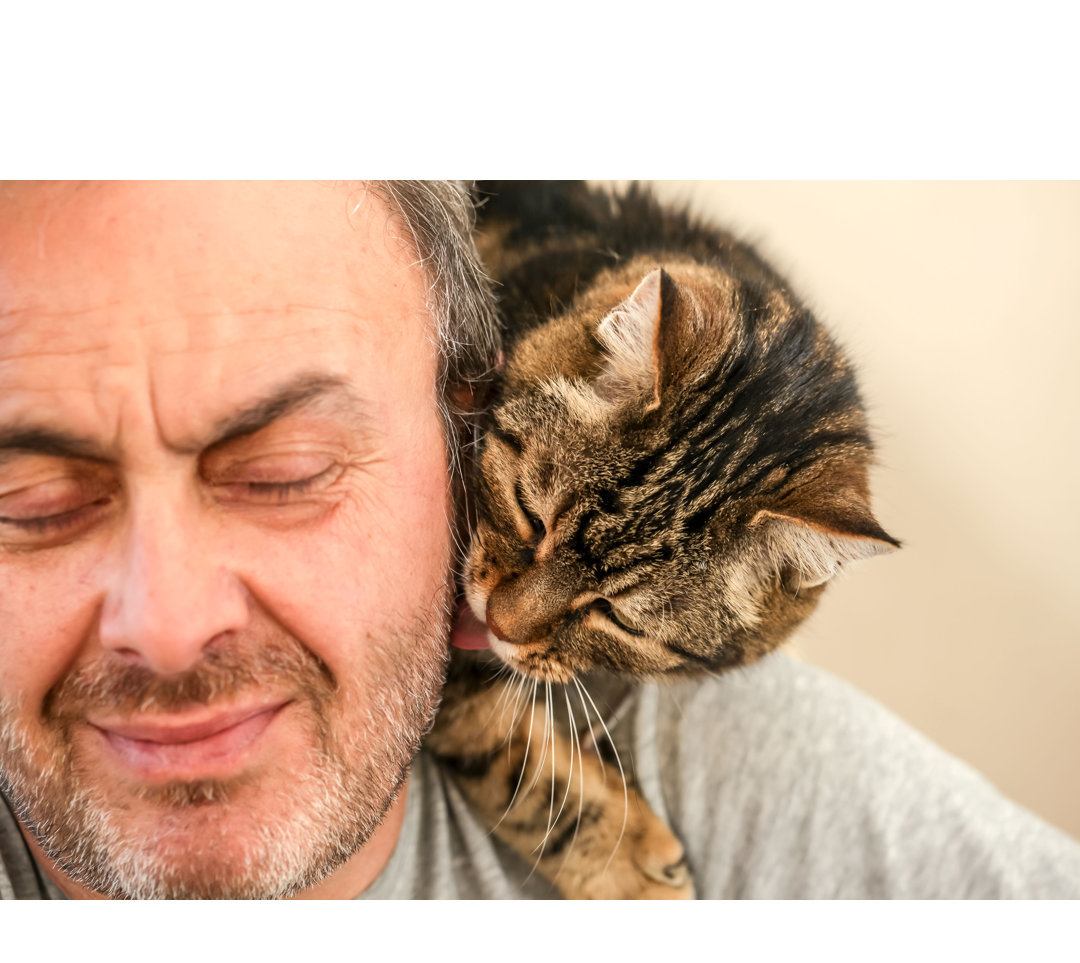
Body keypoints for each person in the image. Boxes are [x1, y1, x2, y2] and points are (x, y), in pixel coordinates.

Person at [1, 181, 1078, 900]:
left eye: (283, 476)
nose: (499, 615)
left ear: (453, 410)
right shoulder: (588, 355)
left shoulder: (733, 765)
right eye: (35, 501)